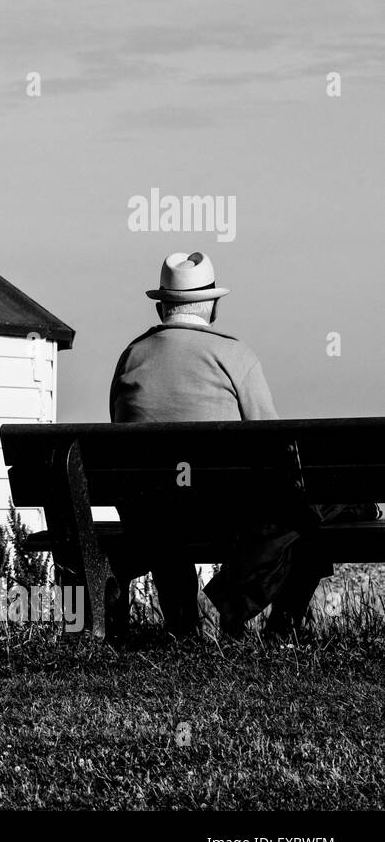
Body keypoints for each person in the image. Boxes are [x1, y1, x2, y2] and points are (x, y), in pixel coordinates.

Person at [108, 251, 355, 638]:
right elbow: (275, 447)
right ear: (213, 307)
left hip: (151, 514)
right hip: (224, 515)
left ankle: (200, 621)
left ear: (161, 308)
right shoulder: (233, 355)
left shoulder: (130, 358)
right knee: (312, 507)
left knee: (309, 511)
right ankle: (256, 618)